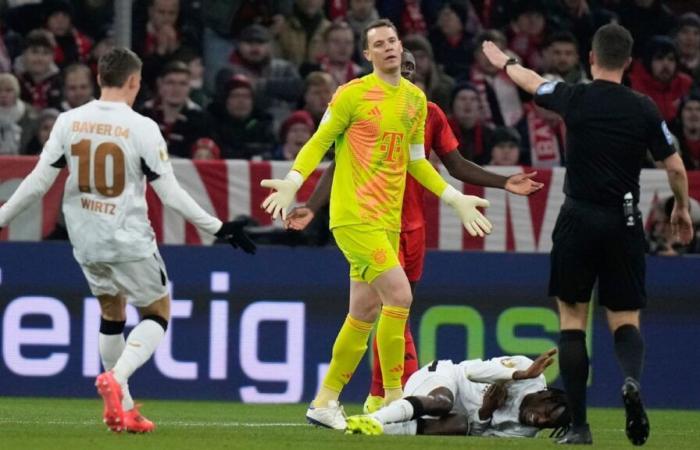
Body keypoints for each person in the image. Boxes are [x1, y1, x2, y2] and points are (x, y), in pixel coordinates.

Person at [0, 47, 256, 434]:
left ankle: (127, 408)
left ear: (100, 78)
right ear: (134, 82)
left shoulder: (70, 120)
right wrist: (218, 227)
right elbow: (169, 194)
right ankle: (116, 380)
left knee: (112, 313)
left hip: (84, 237)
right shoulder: (142, 127)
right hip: (127, 237)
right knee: (157, 312)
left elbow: (37, 182)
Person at [260, 19, 494, 430]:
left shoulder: (415, 101)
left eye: (392, 41)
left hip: (386, 220)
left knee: (363, 313)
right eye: (379, 44)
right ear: (367, 55)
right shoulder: (352, 94)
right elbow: (319, 141)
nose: (388, 48)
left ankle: (325, 400)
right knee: (399, 296)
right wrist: (293, 183)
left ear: (401, 47)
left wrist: (455, 198)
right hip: (354, 216)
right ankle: (392, 400)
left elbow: (418, 162)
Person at [286, 50, 543, 414]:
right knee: (392, 303)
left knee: (388, 310)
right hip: (371, 222)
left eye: (411, 67)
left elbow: (455, 164)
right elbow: (337, 162)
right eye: (399, 64)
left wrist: (503, 183)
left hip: (412, 228)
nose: (404, 70)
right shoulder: (364, 106)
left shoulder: (425, 111)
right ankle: (387, 395)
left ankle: (360, 397)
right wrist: (312, 206)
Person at [482, 23, 694, 445]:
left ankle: (579, 427)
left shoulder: (574, 96)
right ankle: (630, 381)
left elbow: (533, 82)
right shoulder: (644, 108)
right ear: (629, 63)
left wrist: (504, 61)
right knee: (625, 319)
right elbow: (674, 166)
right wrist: (683, 209)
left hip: (578, 219)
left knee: (573, 321)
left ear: (592, 58)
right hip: (626, 222)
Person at [345, 349, 569, 437]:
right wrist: (517, 375)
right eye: (547, 413)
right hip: (442, 378)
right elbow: (470, 370)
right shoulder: (528, 373)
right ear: (546, 397)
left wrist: (485, 412)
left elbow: (478, 435)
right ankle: (374, 418)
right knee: (442, 401)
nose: (539, 420)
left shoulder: (524, 431)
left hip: (451, 417)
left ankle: (373, 430)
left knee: (462, 426)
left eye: (545, 425)